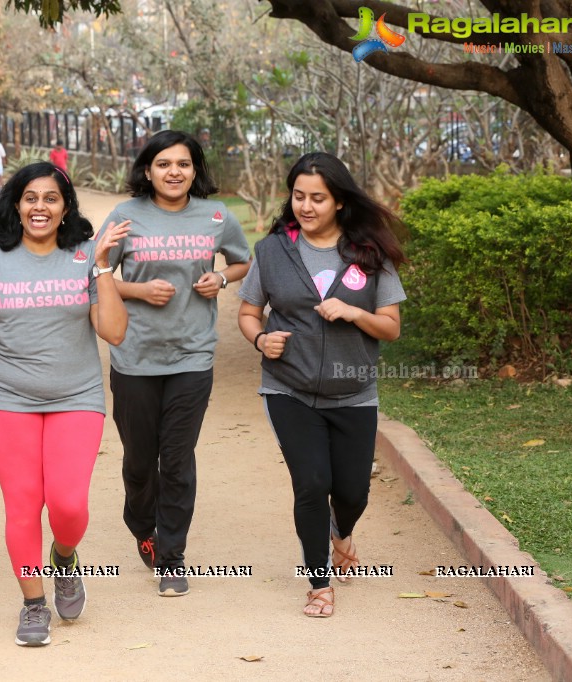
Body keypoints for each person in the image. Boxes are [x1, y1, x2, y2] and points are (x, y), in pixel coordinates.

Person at [0, 162, 130, 647]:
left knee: (69, 505)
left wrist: (101, 267)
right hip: (6, 399)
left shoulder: (84, 254)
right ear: (15, 203)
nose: (40, 206)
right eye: (30, 197)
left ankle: (64, 557)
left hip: (76, 397)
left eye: (51, 198)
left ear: (65, 207)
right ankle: (34, 603)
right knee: (22, 505)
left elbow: (114, 331)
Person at [236, 151, 406, 618]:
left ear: (339, 202)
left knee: (352, 492)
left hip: (354, 390)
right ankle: (318, 583)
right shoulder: (271, 251)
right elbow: (249, 312)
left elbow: (390, 327)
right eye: (298, 197)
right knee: (311, 483)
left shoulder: (369, 254)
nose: (305, 207)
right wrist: (261, 339)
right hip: (288, 388)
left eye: (317, 198)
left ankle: (342, 531)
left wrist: (354, 312)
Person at [102, 129, 251, 597]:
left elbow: (242, 262)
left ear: (194, 170)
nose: (174, 172)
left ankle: (171, 555)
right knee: (141, 463)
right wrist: (139, 290)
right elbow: (98, 275)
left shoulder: (216, 215)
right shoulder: (126, 216)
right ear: (147, 170)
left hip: (193, 354)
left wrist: (221, 279)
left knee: (179, 460)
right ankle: (142, 524)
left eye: (183, 164)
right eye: (163, 164)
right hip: (135, 356)